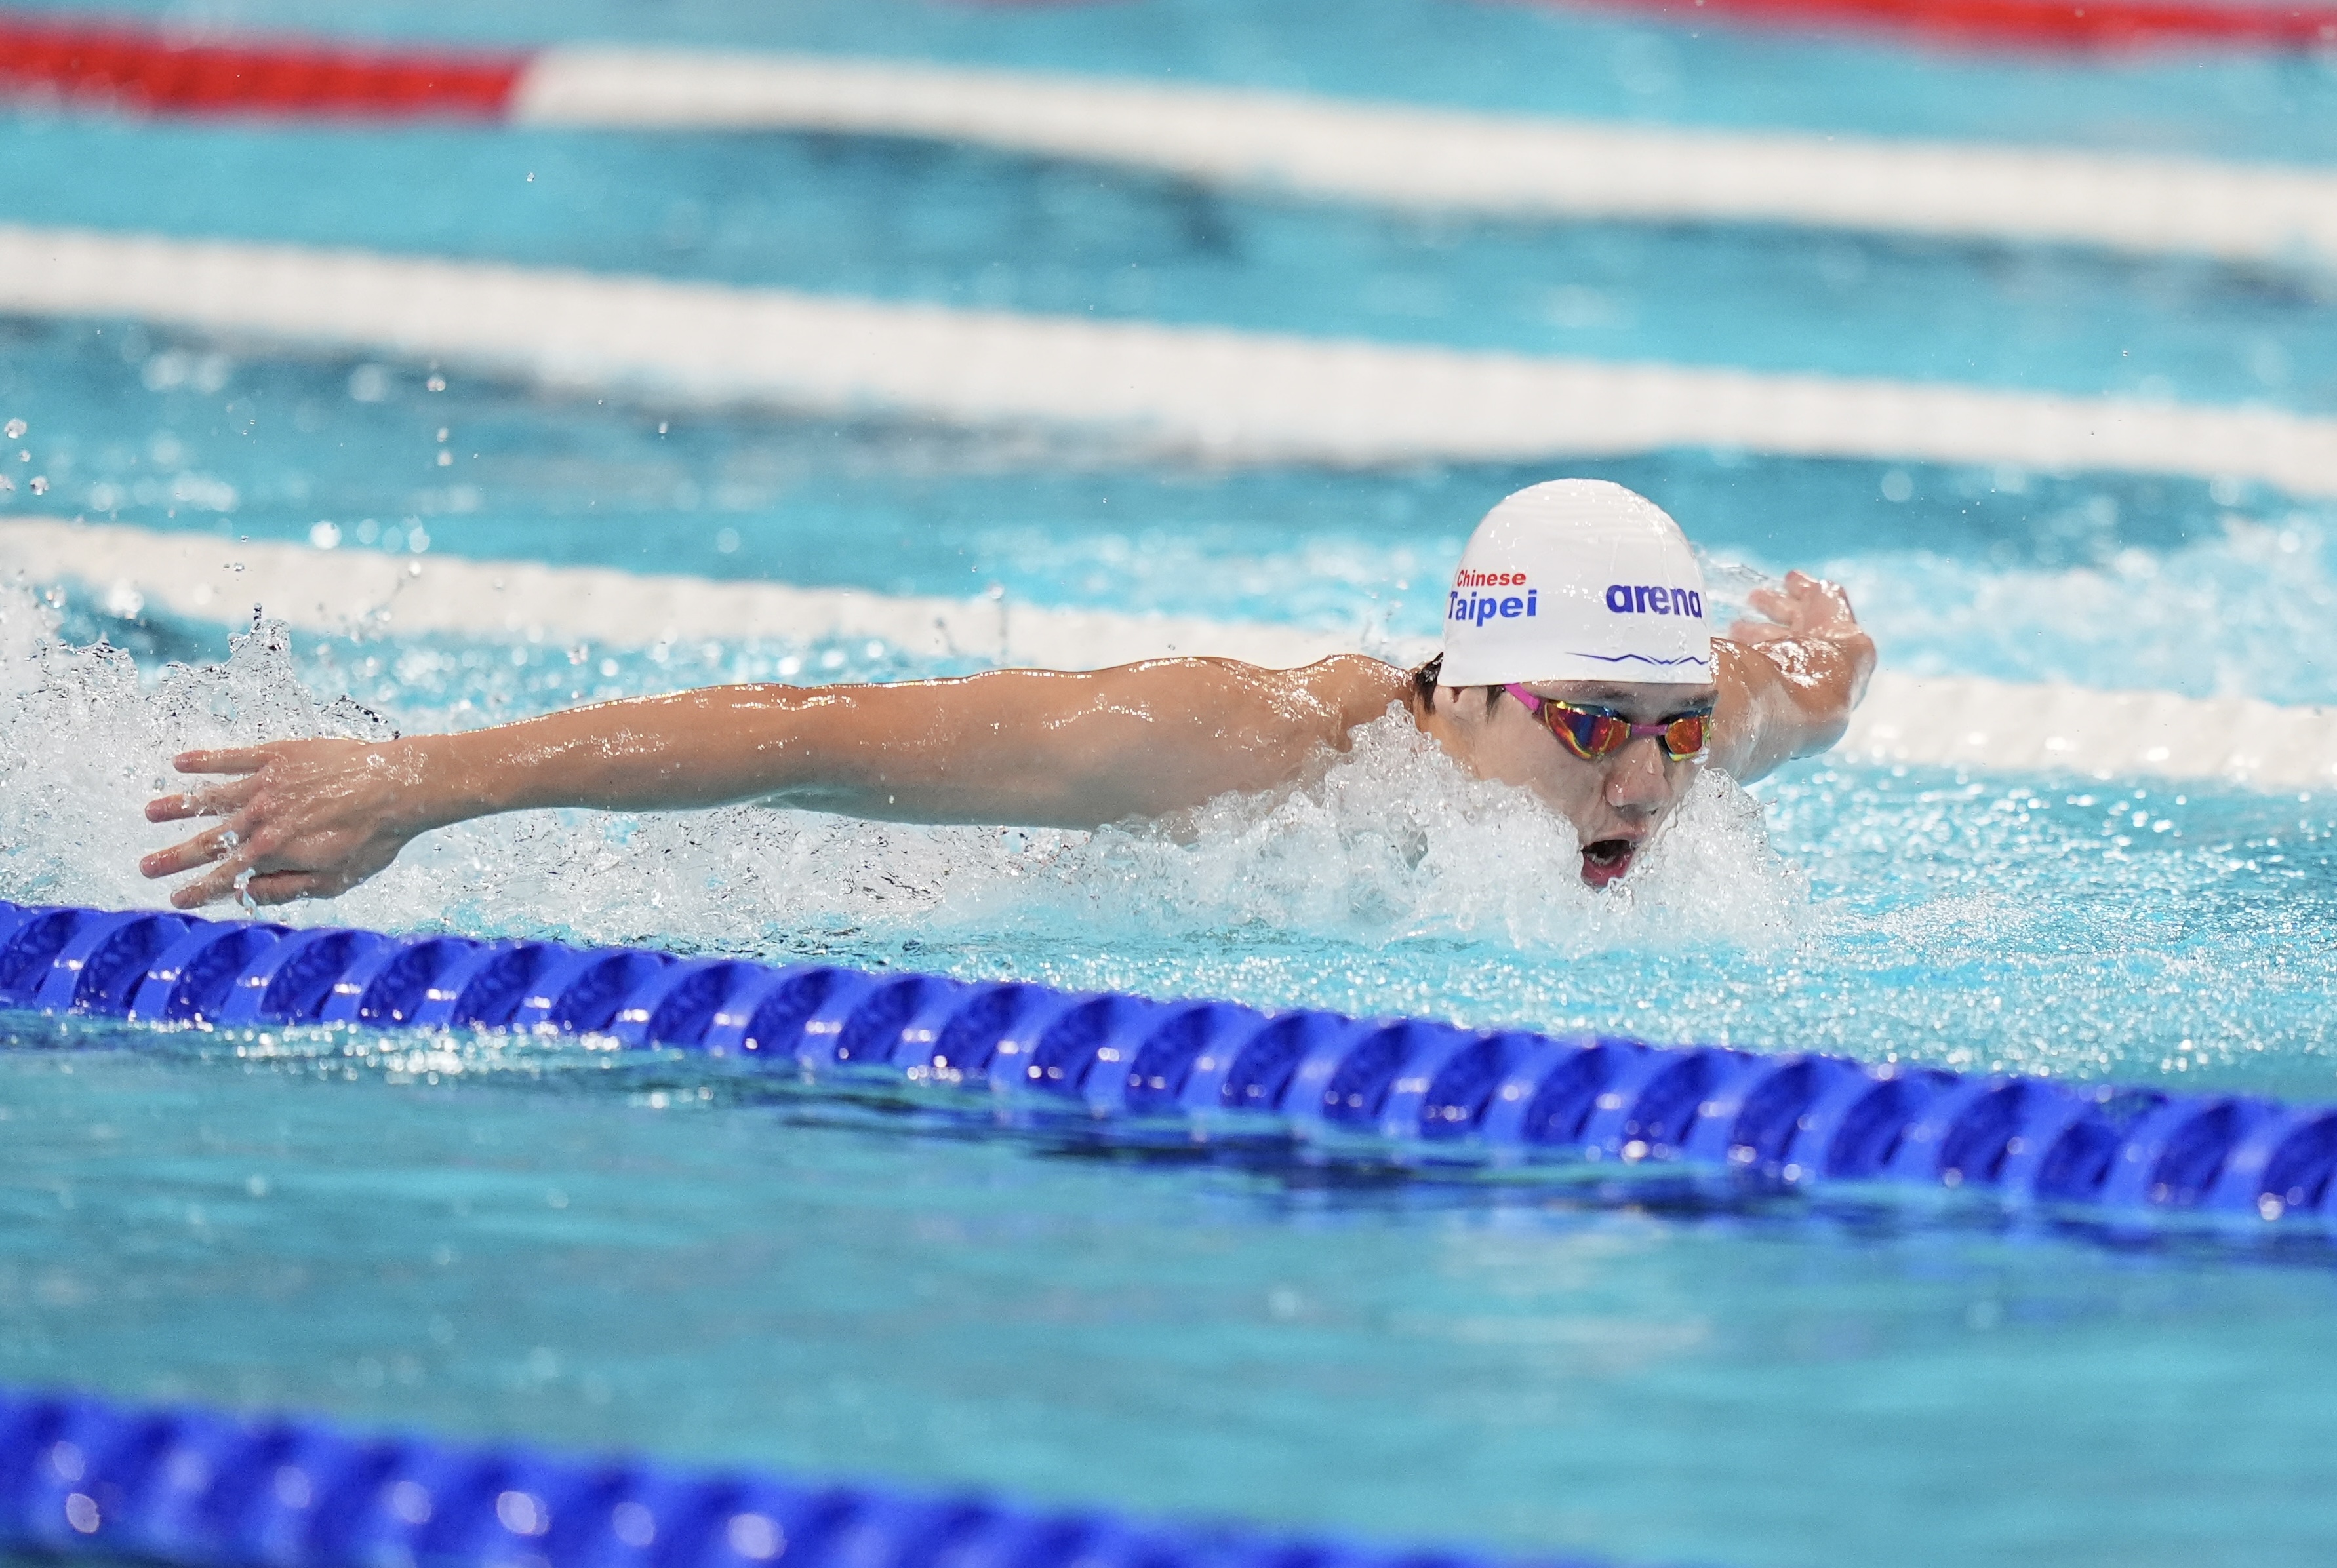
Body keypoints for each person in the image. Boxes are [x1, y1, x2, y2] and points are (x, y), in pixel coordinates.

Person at [138, 479, 1873, 907]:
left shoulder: (1675, 721)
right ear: (1472, 691)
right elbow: (819, 734)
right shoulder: (1249, 750)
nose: (1646, 789)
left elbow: (1805, 681)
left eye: (1674, 728)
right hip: (942, 893)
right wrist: (420, 781)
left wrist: (1807, 653)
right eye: (1593, 728)